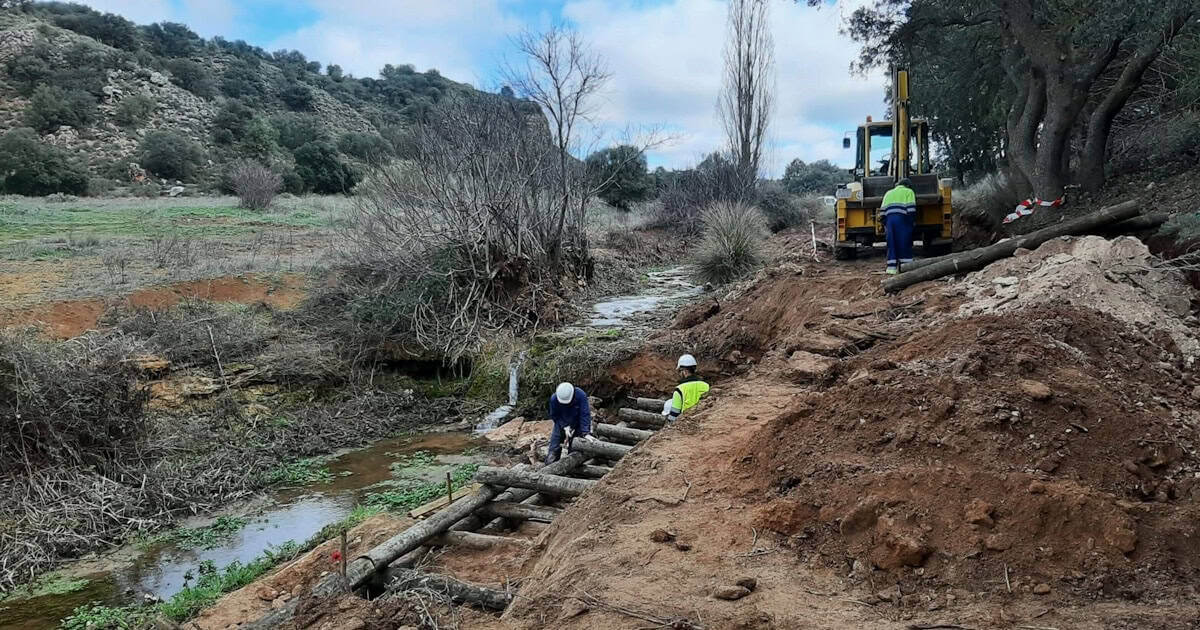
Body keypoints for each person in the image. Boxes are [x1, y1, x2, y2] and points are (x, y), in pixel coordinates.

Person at [546, 382, 594, 464]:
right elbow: (555, 415)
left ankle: (572, 468)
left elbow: (585, 414)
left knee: (574, 448)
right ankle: (550, 465)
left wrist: (586, 432)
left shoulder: (580, 395)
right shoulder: (554, 399)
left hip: (578, 422)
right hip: (561, 421)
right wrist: (565, 426)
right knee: (554, 448)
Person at [881, 177, 916, 275]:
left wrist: (886, 224)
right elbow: (911, 210)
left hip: (890, 220)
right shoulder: (909, 192)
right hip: (903, 220)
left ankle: (891, 269)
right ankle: (906, 268)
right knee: (904, 242)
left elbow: (882, 212)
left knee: (892, 243)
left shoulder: (888, 193)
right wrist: (911, 222)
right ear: (908, 186)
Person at [662, 354, 710, 423]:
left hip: (686, 424)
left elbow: (674, 414)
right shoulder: (706, 386)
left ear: (684, 371)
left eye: (680, 371)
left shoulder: (680, 389)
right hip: (704, 422)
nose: (679, 374)